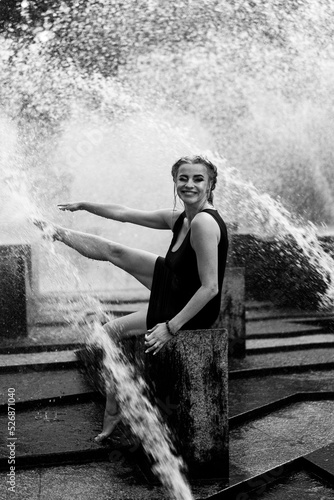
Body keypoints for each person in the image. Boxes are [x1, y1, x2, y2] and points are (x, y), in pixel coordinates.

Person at [34, 155, 229, 443]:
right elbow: (124, 212)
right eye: (183, 178)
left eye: (198, 179)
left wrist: (170, 327)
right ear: (175, 181)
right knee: (116, 253)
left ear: (211, 184)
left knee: (110, 330)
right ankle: (57, 232)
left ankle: (114, 408)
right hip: (177, 286)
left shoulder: (203, 223)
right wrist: (85, 205)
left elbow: (211, 288)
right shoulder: (180, 218)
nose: (189, 184)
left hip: (191, 308)